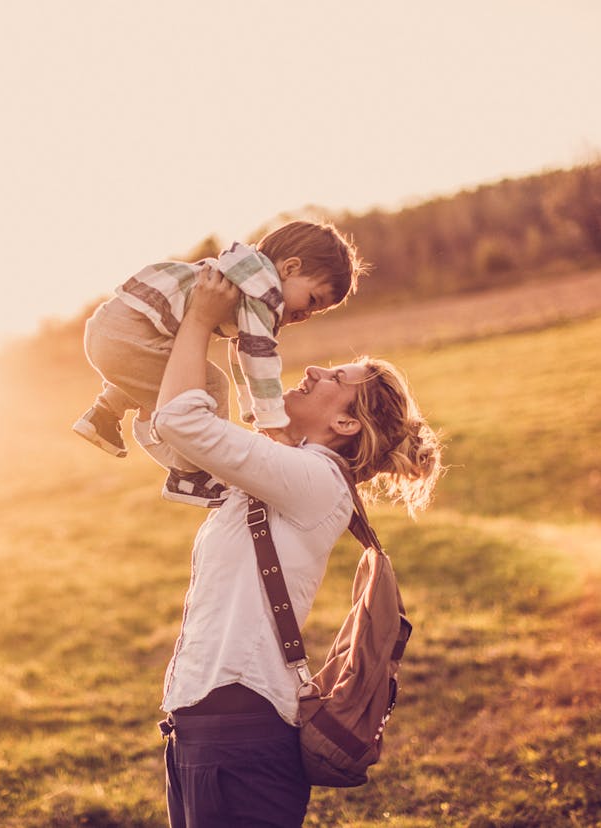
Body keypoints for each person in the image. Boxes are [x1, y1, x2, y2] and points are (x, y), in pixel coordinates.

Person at [150, 267, 443, 828]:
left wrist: (200, 319)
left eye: (336, 376)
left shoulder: (316, 480)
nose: (313, 369)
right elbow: (189, 431)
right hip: (202, 729)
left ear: (344, 422)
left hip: (240, 736)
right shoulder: (286, 472)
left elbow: (183, 420)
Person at [72, 220, 362, 507]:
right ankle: (190, 475)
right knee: (211, 385)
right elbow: (258, 356)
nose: (307, 314)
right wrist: (273, 420)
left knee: (172, 365)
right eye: (312, 300)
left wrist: (251, 409)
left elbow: (240, 353)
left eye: (316, 311)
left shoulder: (246, 275)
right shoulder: (263, 293)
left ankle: (103, 415)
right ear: (290, 268)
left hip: (113, 326)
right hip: (126, 337)